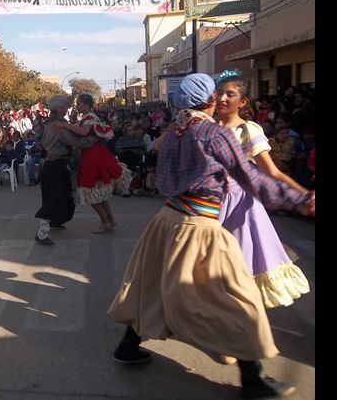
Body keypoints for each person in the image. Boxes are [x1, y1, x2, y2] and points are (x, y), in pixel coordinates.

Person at [107, 74, 314, 399]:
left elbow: (163, 179)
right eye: (217, 95)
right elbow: (252, 178)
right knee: (236, 299)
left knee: (151, 287)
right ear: (210, 100)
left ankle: (128, 345)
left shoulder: (172, 133)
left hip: (166, 220)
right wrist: (300, 199)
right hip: (198, 225)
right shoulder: (215, 133)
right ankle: (253, 378)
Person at [214, 72, 311, 308]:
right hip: (209, 201)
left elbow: (272, 172)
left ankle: (241, 314)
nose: (223, 99)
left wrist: (304, 194)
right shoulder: (206, 126)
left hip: (240, 204)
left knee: (242, 261)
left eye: (230, 94)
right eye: (220, 93)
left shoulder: (248, 130)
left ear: (243, 101)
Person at [58, 93, 131, 233]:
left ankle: (105, 221)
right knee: (99, 192)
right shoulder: (91, 117)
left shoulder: (89, 117)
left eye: (79, 104)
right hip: (96, 153)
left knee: (89, 189)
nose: (77, 106)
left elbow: (84, 132)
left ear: (86, 105)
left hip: (92, 156)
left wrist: (67, 126)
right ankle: (110, 220)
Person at [33, 95, 99, 245]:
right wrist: (93, 139)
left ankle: (55, 221)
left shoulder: (48, 124)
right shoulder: (59, 125)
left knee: (56, 196)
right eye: (65, 107)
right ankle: (42, 233)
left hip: (51, 164)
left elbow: (44, 143)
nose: (66, 110)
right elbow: (73, 141)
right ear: (60, 109)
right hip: (57, 165)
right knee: (55, 198)